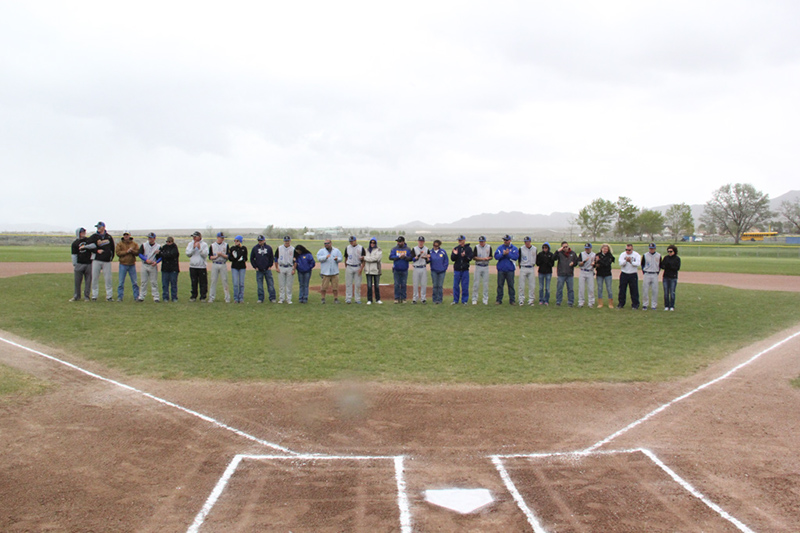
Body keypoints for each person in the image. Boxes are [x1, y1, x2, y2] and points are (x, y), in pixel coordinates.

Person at [86, 221, 115, 301]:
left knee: (108, 279)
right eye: (97, 227)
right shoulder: (94, 236)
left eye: (99, 226)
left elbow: (112, 248)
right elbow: (88, 245)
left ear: (103, 227)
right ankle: (94, 296)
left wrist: (110, 257)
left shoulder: (108, 237)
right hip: (97, 260)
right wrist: (96, 251)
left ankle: (109, 296)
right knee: (95, 278)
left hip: (106, 261)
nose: (98, 228)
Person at [250, 235, 276, 303]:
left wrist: (270, 266)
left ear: (264, 240)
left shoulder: (269, 248)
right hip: (259, 270)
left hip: (267, 269)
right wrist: (255, 267)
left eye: (261, 240)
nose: (260, 242)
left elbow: (271, 258)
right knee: (260, 286)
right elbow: (252, 258)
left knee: (270, 284)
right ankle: (260, 298)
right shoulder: (255, 248)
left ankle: (272, 297)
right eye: (259, 241)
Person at [494, 235, 519, 305]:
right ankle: (499, 300)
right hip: (501, 269)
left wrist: (508, 254)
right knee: (500, 285)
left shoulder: (514, 248)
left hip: (510, 270)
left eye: (507, 240)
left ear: (510, 240)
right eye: (504, 240)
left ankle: (512, 300)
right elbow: (496, 256)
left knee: (511, 285)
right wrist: (503, 254)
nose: (505, 241)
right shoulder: (500, 248)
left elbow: (515, 257)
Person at [115, 232, 140, 301]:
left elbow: (138, 252)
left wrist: (132, 251)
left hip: (132, 264)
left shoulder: (134, 244)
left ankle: (136, 297)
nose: (126, 236)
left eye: (127, 235)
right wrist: (126, 251)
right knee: (121, 282)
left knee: (135, 282)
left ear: (129, 235)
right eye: (125, 235)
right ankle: (120, 297)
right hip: (123, 264)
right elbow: (118, 253)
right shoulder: (119, 244)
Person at [317, 239, 343, 304]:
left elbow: (341, 258)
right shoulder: (321, 251)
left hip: (334, 272)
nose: (326, 245)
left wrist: (337, 259)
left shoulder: (336, 251)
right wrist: (325, 257)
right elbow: (319, 258)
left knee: (335, 287)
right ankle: (323, 299)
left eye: (327, 243)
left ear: (331, 243)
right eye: (325, 243)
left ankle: (336, 298)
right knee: (324, 287)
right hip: (325, 272)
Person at [70, 227, 92, 301]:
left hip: (88, 263)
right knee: (77, 282)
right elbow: (74, 255)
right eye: (81, 232)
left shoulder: (88, 240)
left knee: (88, 281)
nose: (83, 233)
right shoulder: (75, 243)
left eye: (84, 232)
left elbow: (93, 247)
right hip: (79, 264)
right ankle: (76, 296)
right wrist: (75, 264)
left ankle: (86, 296)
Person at [186, 231, 209, 302]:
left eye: (195, 236)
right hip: (193, 266)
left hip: (201, 267)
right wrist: (193, 248)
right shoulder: (190, 244)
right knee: (194, 282)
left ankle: (203, 296)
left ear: (199, 237)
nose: (194, 238)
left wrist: (199, 248)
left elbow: (205, 255)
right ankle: (193, 296)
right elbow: (188, 254)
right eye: (193, 237)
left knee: (203, 282)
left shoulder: (204, 244)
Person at [553, 241, 578, 307]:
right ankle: (558, 301)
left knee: (570, 289)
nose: (565, 248)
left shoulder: (573, 253)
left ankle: (570, 302)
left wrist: (573, 263)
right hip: (561, 274)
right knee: (559, 289)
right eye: (564, 247)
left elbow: (576, 261)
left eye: (566, 246)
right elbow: (553, 258)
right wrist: (557, 251)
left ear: (568, 246)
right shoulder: (560, 253)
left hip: (569, 274)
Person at [138, 232, 161, 302]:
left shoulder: (158, 246)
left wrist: (156, 262)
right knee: (143, 282)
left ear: (154, 238)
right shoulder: (144, 245)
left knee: (154, 282)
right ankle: (141, 296)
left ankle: (156, 297)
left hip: (152, 265)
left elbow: (161, 257)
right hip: (145, 264)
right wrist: (146, 259)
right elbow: (140, 254)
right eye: (149, 238)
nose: (149, 239)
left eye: (151, 238)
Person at [208, 232, 231, 303]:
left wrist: (222, 255)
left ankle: (227, 298)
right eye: (221, 237)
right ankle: (211, 297)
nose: (222, 239)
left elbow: (228, 256)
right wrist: (217, 256)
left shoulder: (226, 245)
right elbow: (210, 257)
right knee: (213, 281)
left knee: (225, 280)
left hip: (223, 263)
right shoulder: (212, 245)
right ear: (217, 237)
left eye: (223, 238)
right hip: (215, 263)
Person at [617, 243, 641, 310]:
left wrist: (631, 261)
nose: (627, 251)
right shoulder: (623, 254)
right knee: (622, 289)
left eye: (629, 250)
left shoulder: (636, 255)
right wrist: (625, 261)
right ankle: (621, 304)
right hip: (624, 273)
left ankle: (635, 304)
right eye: (626, 249)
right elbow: (620, 263)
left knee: (634, 290)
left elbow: (638, 264)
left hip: (633, 274)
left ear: (632, 249)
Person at [389, 236, 413, 303]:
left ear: (403, 242)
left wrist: (405, 257)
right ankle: (396, 298)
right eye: (398, 242)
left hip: (404, 269)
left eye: (400, 242)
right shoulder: (394, 249)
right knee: (396, 284)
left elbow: (411, 258)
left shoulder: (407, 249)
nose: (398, 243)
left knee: (403, 284)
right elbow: (390, 257)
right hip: (396, 269)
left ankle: (403, 298)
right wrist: (398, 257)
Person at [451, 235, 473, 305]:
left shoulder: (468, 249)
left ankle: (464, 300)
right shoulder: (456, 248)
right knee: (456, 285)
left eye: (461, 240)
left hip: (465, 270)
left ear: (464, 240)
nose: (460, 242)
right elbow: (452, 259)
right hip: (457, 270)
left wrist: (465, 256)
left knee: (465, 286)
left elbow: (470, 258)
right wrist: (455, 254)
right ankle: (455, 300)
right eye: (459, 240)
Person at [344, 236, 365, 304]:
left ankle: (357, 299)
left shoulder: (361, 248)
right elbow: (346, 258)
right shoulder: (347, 248)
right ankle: (348, 298)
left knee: (358, 284)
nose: (351, 242)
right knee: (348, 283)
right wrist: (346, 266)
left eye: (352, 241)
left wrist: (361, 268)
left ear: (355, 240)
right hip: (349, 266)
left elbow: (364, 259)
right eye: (350, 241)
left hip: (357, 266)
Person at [472, 236, 492, 305]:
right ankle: (474, 299)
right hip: (478, 266)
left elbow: (491, 256)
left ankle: (485, 299)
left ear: (485, 241)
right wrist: (482, 259)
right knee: (476, 283)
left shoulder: (489, 247)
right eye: (480, 241)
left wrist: (488, 258)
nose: (481, 243)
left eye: (482, 241)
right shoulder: (476, 247)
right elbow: (474, 257)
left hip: (486, 266)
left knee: (485, 284)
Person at [641, 243, 661, 311]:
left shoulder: (658, 255)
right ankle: (645, 304)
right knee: (645, 290)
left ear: (655, 248)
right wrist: (644, 272)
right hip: (647, 273)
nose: (651, 249)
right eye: (650, 248)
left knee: (655, 290)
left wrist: (657, 272)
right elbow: (642, 264)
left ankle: (654, 305)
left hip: (655, 274)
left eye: (652, 248)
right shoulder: (645, 255)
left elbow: (660, 265)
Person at [275, 236, 296, 304]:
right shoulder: (279, 248)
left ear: (290, 241)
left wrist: (294, 269)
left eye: (288, 241)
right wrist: (277, 267)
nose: (287, 242)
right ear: (283, 241)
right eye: (285, 241)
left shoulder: (293, 249)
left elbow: (295, 260)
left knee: (289, 284)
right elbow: (276, 258)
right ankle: (281, 298)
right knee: (281, 284)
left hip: (289, 267)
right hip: (281, 266)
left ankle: (289, 298)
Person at [159, 236, 180, 302]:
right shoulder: (164, 247)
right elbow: (160, 256)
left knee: (173, 284)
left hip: (173, 269)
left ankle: (174, 297)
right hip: (165, 268)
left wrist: (162, 253)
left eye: (169, 242)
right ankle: (165, 297)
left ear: (172, 242)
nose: (168, 243)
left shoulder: (174, 248)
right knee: (165, 284)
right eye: (167, 242)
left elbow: (171, 255)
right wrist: (161, 253)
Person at [594, 243, 615, 309]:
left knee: (609, 289)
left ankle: (610, 303)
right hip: (599, 274)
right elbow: (595, 264)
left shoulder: (610, 256)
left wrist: (599, 261)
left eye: (606, 249)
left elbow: (607, 264)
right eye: (604, 248)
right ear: (601, 249)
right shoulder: (597, 255)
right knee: (600, 288)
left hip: (607, 274)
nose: (605, 250)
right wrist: (596, 263)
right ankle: (600, 303)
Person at [660, 244, 681, 311]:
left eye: (671, 251)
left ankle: (672, 306)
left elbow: (677, 268)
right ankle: (666, 305)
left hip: (673, 277)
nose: (669, 253)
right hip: (666, 277)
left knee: (672, 292)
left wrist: (669, 266)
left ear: (674, 251)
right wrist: (666, 266)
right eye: (668, 251)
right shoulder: (666, 258)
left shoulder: (677, 259)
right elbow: (662, 265)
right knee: (666, 292)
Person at [517, 237, 537, 306]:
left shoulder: (534, 248)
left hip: (531, 267)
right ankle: (521, 300)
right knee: (521, 285)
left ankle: (531, 300)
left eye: (528, 241)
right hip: (523, 267)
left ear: (530, 241)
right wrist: (520, 267)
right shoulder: (521, 249)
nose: (526, 243)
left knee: (532, 285)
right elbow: (519, 259)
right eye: (525, 241)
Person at [429, 239, 449, 304]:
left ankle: (439, 299)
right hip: (434, 271)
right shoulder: (430, 252)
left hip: (442, 271)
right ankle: (434, 299)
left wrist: (444, 268)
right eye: (434, 245)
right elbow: (428, 260)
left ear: (439, 245)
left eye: (437, 246)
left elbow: (446, 261)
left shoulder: (443, 252)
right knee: (435, 285)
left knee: (440, 286)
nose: (435, 247)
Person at [364, 238, 383, 304]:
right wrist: (366, 258)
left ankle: (378, 299)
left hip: (376, 270)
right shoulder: (366, 250)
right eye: (371, 242)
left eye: (373, 243)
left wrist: (366, 258)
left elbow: (376, 258)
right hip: (368, 270)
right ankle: (369, 299)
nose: (372, 244)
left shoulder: (379, 250)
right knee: (369, 285)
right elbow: (363, 257)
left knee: (376, 285)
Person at [229, 236, 248, 304]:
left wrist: (242, 259)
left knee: (241, 283)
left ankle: (241, 298)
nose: (236, 242)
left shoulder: (244, 248)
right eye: (235, 241)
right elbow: (230, 258)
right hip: (235, 267)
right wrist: (235, 258)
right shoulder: (232, 248)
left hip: (242, 267)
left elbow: (245, 258)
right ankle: (236, 298)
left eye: (237, 241)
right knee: (235, 283)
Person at [577, 243, 596, 308]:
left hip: (590, 271)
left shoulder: (594, 255)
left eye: (588, 248)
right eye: (586, 248)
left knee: (591, 288)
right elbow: (579, 264)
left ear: (591, 248)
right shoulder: (582, 254)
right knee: (581, 288)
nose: (587, 249)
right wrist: (584, 261)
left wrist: (594, 264)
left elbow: (595, 264)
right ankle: (581, 302)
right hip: (583, 271)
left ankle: (591, 302)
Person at [411, 236, 429, 304]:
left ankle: (423, 298)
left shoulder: (426, 249)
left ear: (424, 242)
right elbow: (412, 259)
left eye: (422, 241)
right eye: (420, 241)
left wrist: (426, 258)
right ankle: (415, 298)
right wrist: (418, 255)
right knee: (415, 284)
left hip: (423, 267)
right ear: (418, 241)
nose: (421, 242)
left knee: (423, 284)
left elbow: (428, 261)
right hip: (416, 267)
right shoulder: (414, 249)